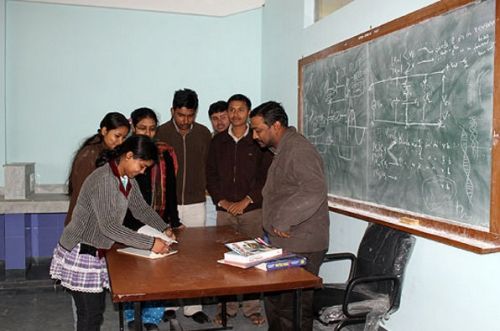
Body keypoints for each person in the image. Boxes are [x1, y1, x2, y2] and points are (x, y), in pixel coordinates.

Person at [50, 135, 176, 331]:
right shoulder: (104, 179)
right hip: (81, 251)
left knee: (94, 313)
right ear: (128, 156)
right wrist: (151, 243)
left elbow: (141, 209)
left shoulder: (126, 179)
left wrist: (163, 228)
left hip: (97, 249)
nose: (143, 172)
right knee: (90, 316)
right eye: (142, 166)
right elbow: (109, 227)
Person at [249, 101, 330, 331]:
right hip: (284, 239)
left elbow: (314, 189)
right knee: (276, 302)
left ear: (275, 126)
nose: (255, 136)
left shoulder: (298, 150)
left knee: (293, 308)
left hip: (302, 242)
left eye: (258, 130)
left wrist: (284, 219)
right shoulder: (283, 149)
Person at [206, 94, 271, 326]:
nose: (235, 115)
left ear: (248, 112)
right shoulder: (217, 141)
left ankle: (252, 307)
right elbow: (210, 175)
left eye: (240, 110)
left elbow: (265, 177)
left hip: (253, 211)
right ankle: (227, 309)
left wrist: (247, 200)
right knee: (227, 261)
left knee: (253, 259)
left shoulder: (258, 140)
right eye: (231, 110)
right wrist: (222, 201)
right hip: (225, 212)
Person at [120, 108, 182, 331]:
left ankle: (152, 318)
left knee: (158, 273)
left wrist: (170, 222)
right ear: (132, 129)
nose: (147, 133)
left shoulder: (163, 153)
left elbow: (171, 189)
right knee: (133, 273)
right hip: (128, 225)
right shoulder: (123, 158)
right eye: (142, 128)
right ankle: (132, 315)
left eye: (152, 129)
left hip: (156, 220)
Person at [155, 88, 211, 323]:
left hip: (197, 202)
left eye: (190, 115)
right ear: (172, 111)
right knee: (168, 254)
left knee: (195, 255)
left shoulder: (203, 133)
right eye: (181, 115)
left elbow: (209, 165)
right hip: (167, 204)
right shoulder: (160, 133)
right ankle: (169, 304)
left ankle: (192, 306)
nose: (186, 120)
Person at [65, 112, 130, 226]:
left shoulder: (108, 152)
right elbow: (84, 195)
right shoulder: (89, 155)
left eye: (124, 137)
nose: (120, 142)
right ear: (104, 131)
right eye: (117, 136)